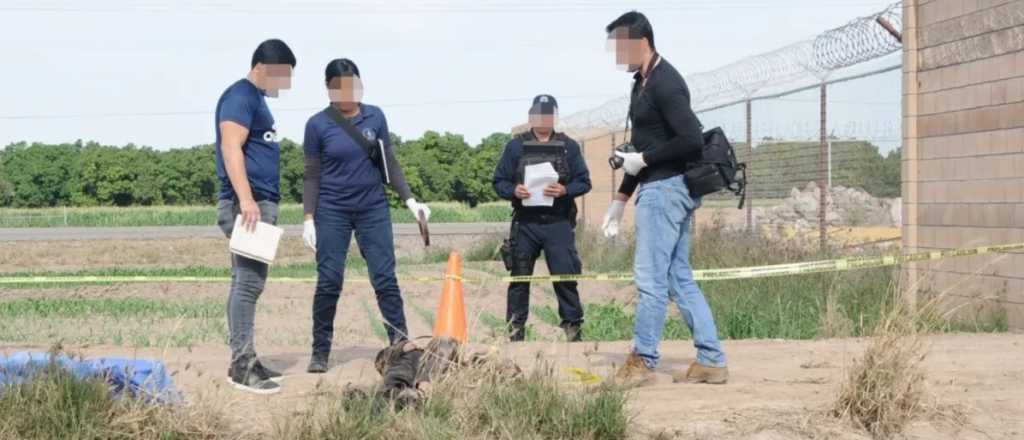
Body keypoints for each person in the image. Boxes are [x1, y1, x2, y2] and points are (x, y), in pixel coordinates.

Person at [601, 12, 729, 385]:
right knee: (678, 278)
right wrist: (620, 200)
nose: (617, 56)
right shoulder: (641, 82)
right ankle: (711, 360)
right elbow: (642, 149)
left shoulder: (666, 82)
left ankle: (642, 361)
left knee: (650, 279)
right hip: (658, 187)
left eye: (620, 47)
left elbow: (691, 138)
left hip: (666, 190)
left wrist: (645, 160)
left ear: (641, 42)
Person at [302, 58, 431, 373]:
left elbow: (389, 162)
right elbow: (312, 175)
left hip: (373, 208)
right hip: (332, 210)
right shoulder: (317, 124)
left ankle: (400, 344)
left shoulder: (376, 116)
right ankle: (320, 351)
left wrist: (411, 201)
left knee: (385, 278)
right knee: (330, 280)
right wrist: (308, 218)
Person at [214, 38, 295, 394]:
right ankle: (242, 365)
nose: (285, 84)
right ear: (264, 66)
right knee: (248, 284)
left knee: (246, 282)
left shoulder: (256, 100)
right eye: (283, 76)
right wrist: (247, 200)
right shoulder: (241, 96)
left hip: (258, 201)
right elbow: (230, 147)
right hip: (249, 203)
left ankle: (245, 357)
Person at [493, 95, 592, 342]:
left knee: (564, 277)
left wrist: (565, 190)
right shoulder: (515, 147)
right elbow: (498, 181)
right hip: (526, 223)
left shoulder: (569, 146)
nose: (543, 118)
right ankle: (515, 333)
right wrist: (513, 190)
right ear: (530, 117)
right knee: (520, 278)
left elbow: (584, 181)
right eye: (539, 113)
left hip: (558, 222)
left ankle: (573, 330)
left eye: (548, 114)